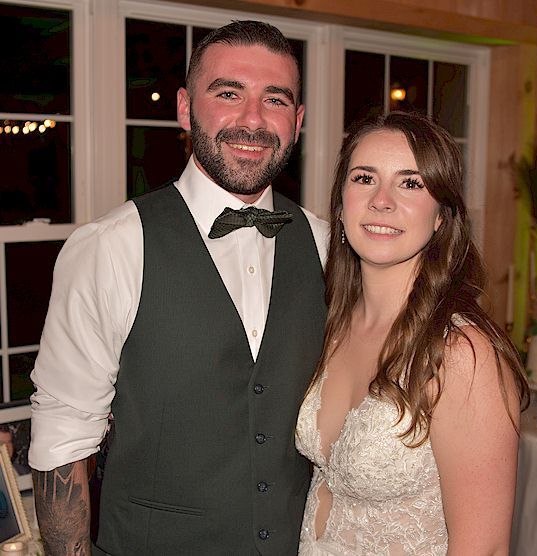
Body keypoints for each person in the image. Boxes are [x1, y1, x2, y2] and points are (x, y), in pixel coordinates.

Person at [29, 20, 328, 555]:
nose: (253, 120)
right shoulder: (110, 247)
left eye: (275, 99)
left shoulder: (330, 247)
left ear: (298, 121)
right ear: (186, 108)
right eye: (229, 93)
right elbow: (62, 439)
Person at [295, 111, 530, 555]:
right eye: (364, 178)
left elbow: (485, 547)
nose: (382, 201)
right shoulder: (333, 324)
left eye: (411, 183)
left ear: (442, 216)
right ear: (341, 203)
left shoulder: (461, 353)